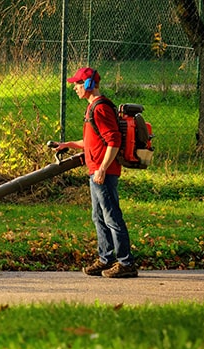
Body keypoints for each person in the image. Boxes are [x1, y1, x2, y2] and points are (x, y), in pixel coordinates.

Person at [53, 67, 138, 278]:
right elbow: (93, 141)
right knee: (98, 217)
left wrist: (102, 169)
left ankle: (126, 262)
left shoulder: (100, 109)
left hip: (104, 174)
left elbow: (114, 141)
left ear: (89, 85)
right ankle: (105, 259)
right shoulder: (93, 108)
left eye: (78, 84)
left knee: (112, 217)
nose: (74, 88)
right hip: (97, 172)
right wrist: (68, 144)